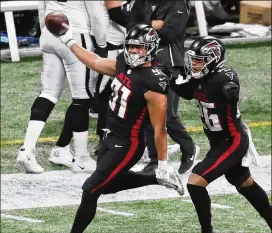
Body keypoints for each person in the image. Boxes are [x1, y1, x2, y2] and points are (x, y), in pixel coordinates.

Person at [54, 23, 184, 233]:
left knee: (90, 190)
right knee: (105, 185)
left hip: (127, 144)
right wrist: (68, 41)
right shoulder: (124, 63)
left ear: (151, 48)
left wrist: (162, 163)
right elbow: (96, 62)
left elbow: (160, 128)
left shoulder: (154, 82)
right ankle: (154, 179)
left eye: (139, 47)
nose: (133, 51)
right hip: (110, 136)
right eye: (131, 46)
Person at [171, 36, 272, 233]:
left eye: (200, 60)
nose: (195, 64)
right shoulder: (198, 78)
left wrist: (230, 92)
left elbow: (230, 82)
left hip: (232, 141)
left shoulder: (223, 77)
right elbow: (187, 91)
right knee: (245, 184)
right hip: (219, 142)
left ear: (214, 59)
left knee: (196, 182)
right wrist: (168, 78)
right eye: (194, 59)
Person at [107, 0, 199, 174]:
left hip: (170, 65)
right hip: (147, 64)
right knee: (148, 116)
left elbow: (170, 33)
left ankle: (189, 147)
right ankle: (154, 160)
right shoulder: (142, 2)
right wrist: (152, 25)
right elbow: (131, 28)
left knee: (168, 117)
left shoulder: (178, 4)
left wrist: (144, 28)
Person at [16, 0, 107, 173]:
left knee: (48, 93)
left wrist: (46, 31)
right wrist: (102, 44)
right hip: (75, 33)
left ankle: (27, 150)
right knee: (83, 97)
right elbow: (96, 14)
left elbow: (42, 9)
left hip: (49, 33)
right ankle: (81, 158)